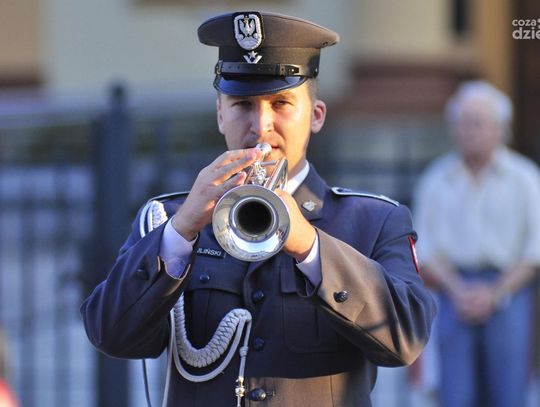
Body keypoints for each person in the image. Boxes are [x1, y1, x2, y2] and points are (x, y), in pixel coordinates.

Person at [81, 11, 436, 406]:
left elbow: (407, 339)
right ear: (220, 115)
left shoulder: (372, 220)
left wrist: (310, 246)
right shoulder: (170, 219)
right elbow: (110, 334)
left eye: (281, 103)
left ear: (316, 116)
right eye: (242, 105)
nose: (261, 126)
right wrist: (180, 232)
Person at [413, 80, 540, 407]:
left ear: (501, 129)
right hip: (452, 292)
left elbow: (535, 250)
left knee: (509, 392)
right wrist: (458, 290)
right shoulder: (436, 179)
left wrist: (495, 293)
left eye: (478, 122)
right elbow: (424, 248)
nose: (469, 131)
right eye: (462, 122)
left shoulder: (526, 178)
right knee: (456, 393)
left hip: (509, 291)